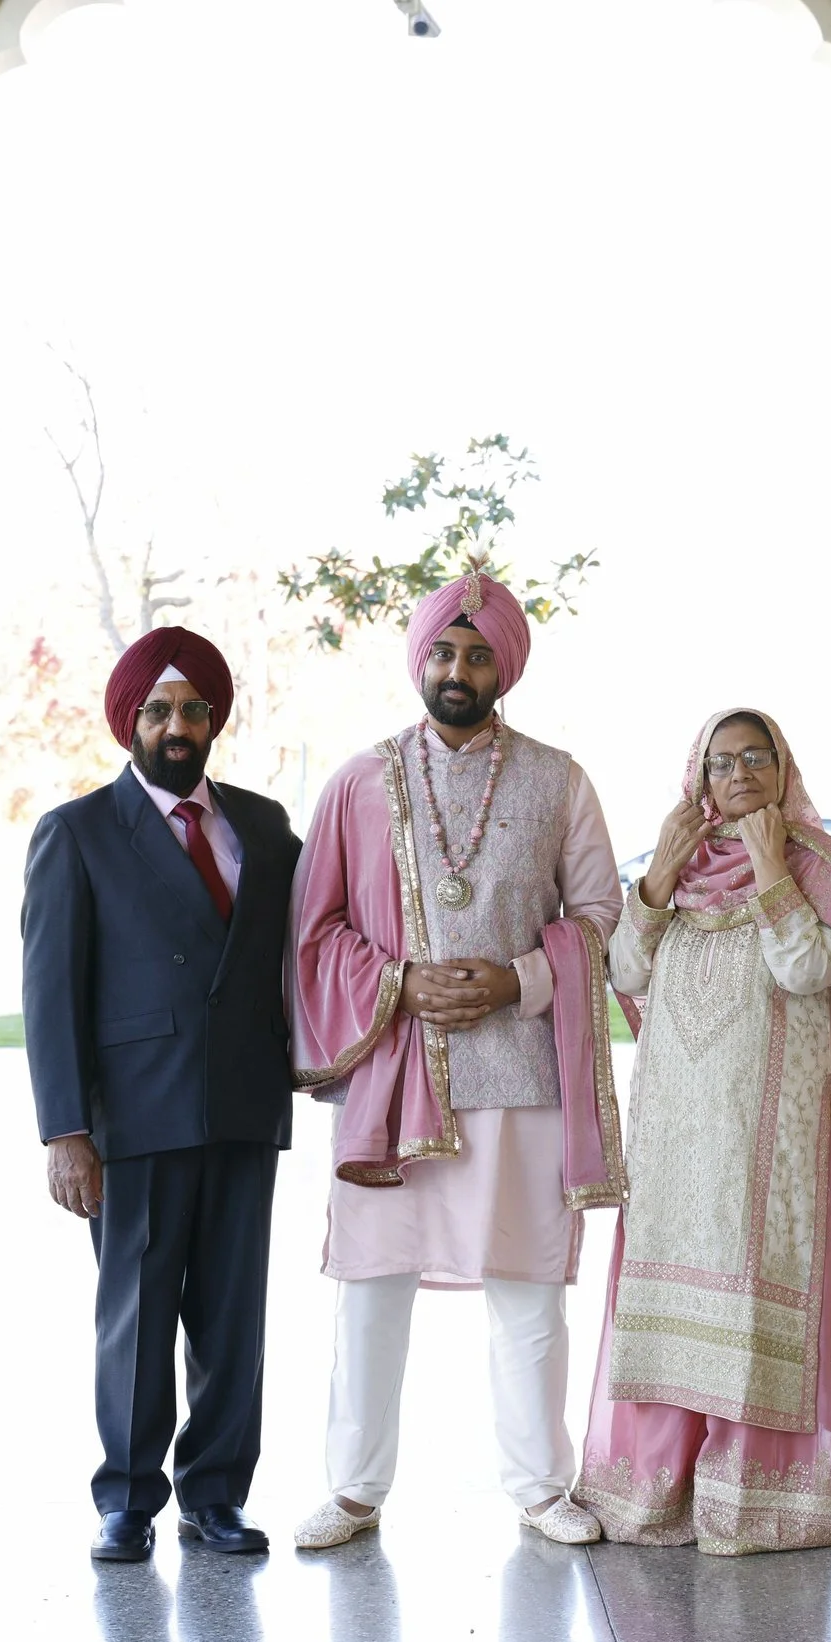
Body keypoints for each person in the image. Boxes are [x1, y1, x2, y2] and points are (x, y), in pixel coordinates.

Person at [286, 570, 628, 1551]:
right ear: (418, 659)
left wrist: (518, 978)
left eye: (477, 653)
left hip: (521, 1075)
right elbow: (317, 930)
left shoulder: (559, 778)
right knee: (373, 1287)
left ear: (504, 663)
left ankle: (539, 1486)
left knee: (525, 1290)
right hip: (398, 1081)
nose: (457, 668)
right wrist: (399, 982)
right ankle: (352, 1490)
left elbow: (597, 914)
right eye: (442, 650)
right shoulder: (358, 780)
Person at [572, 708, 831, 1554]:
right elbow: (628, 972)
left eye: (757, 758)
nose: (740, 773)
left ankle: (749, 1504)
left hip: (772, 1134)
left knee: (756, 1290)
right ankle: (655, 1491)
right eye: (722, 762)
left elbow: (811, 970)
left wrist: (767, 868)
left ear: (784, 768)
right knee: (671, 1291)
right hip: (678, 1134)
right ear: (700, 778)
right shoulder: (673, 871)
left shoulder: (820, 864)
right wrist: (656, 881)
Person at [20, 625, 302, 1563]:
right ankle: (128, 1498)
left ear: (213, 718)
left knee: (232, 1313)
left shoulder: (264, 828)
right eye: (157, 709)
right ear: (128, 722)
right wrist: (66, 1128)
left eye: (192, 708)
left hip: (244, 1106)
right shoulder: (77, 833)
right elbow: (49, 991)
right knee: (135, 1317)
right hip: (133, 1117)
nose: (175, 725)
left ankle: (215, 1494)